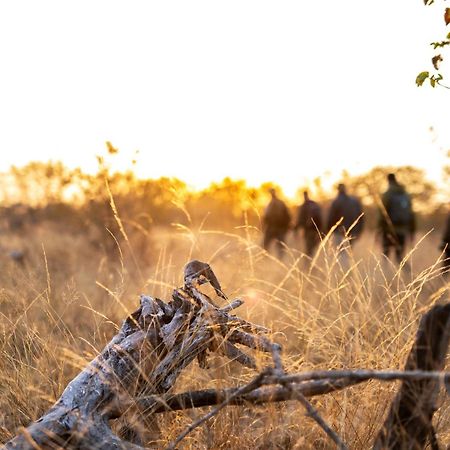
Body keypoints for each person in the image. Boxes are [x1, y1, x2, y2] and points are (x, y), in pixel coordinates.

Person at [378, 173, 415, 264]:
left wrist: (380, 228)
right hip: (402, 230)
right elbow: (411, 214)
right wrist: (412, 231)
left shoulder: (387, 194)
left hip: (388, 230)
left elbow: (382, 213)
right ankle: (408, 276)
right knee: (399, 257)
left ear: (388, 180)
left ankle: (385, 276)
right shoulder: (406, 195)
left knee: (385, 255)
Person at [262, 188, 291, 259]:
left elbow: (287, 216)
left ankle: (280, 261)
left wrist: (285, 228)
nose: (272, 194)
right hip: (271, 228)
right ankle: (265, 259)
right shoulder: (269, 204)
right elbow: (265, 217)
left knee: (280, 246)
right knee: (265, 244)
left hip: (279, 228)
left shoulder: (279, 203)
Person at [294, 190, 323, 258]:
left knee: (309, 248)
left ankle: (309, 263)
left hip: (309, 231)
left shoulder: (304, 206)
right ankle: (312, 261)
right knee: (314, 248)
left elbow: (300, 219)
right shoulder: (315, 205)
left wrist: (296, 229)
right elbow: (320, 218)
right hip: (316, 230)